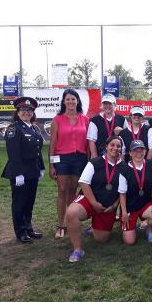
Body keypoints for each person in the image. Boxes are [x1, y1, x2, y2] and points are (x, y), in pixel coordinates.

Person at [65, 136, 125, 262]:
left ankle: (94, 227)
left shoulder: (124, 167)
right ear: (106, 147)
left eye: (118, 146)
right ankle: (77, 249)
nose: (115, 148)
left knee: (101, 239)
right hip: (89, 199)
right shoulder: (94, 162)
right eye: (112, 145)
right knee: (71, 213)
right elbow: (84, 183)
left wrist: (114, 206)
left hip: (107, 206)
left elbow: (123, 191)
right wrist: (94, 203)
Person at [2, 97, 45, 244]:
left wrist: (41, 168)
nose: (26, 113)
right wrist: (18, 174)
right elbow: (13, 154)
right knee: (20, 202)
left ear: (33, 113)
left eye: (29, 110)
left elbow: (38, 150)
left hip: (32, 171)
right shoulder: (14, 128)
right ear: (18, 112)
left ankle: (28, 228)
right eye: (23, 110)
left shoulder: (33, 128)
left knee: (29, 202)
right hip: (19, 171)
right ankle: (20, 232)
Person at [49, 88, 89, 239]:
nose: (71, 102)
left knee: (73, 190)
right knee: (62, 189)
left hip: (80, 159)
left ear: (77, 101)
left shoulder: (85, 119)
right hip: (62, 159)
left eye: (73, 99)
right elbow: (52, 143)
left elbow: (87, 142)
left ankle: (71, 221)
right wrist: (52, 165)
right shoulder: (57, 119)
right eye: (68, 99)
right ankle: (61, 225)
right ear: (63, 101)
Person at [118, 140, 152, 244]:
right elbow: (122, 194)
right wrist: (124, 212)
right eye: (135, 151)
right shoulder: (124, 170)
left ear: (145, 151)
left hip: (145, 205)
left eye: (141, 150)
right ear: (130, 153)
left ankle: (149, 228)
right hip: (130, 207)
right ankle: (129, 228)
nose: (138, 153)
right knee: (129, 241)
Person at [87, 93, 127, 158]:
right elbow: (91, 141)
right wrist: (95, 159)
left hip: (117, 155)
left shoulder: (122, 119)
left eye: (110, 104)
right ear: (102, 105)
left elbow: (126, 137)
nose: (107, 106)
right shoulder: (95, 120)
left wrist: (122, 132)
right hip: (101, 155)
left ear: (114, 105)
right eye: (105, 103)